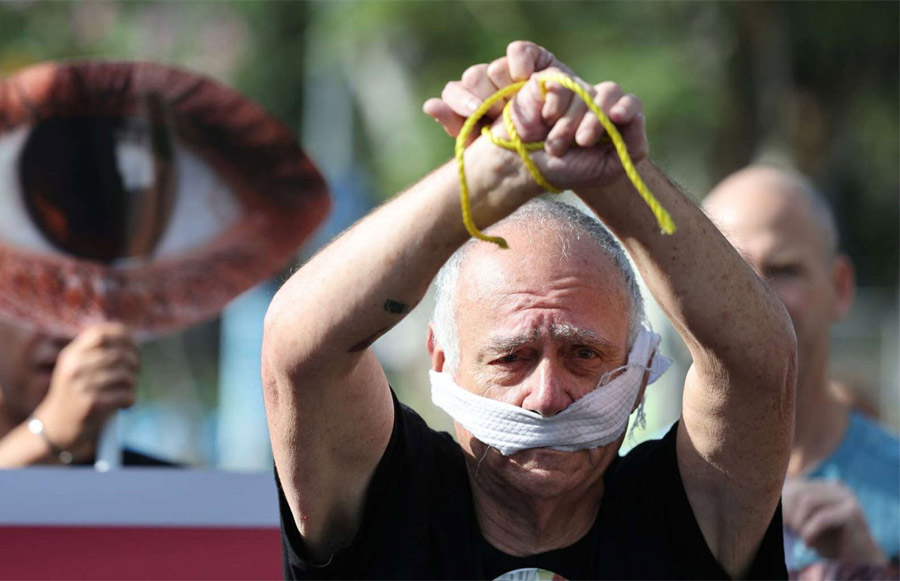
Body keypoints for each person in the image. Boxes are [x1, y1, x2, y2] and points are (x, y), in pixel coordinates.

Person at [263, 41, 797, 579]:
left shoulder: (689, 512)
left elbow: (759, 364)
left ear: (640, 372)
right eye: (512, 357)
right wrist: (489, 171)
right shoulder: (385, 500)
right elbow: (298, 349)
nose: (546, 399)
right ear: (442, 361)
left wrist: (612, 173)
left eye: (583, 354)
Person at [704, 166, 900, 574]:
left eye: (783, 270)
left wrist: (872, 571)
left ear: (841, 288)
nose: (756, 295)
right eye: (729, 274)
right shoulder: (637, 485)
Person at [0, 320, 158, 467]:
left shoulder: (160, 488)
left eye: (82, 307)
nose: (60, 334)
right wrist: (50, 434)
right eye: (31, 308)